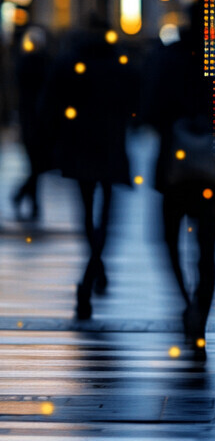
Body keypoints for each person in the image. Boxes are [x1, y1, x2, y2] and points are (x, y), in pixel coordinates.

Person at [143, 0, 215, 359]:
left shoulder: (170, 58)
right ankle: (200, 312)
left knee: (168, 238)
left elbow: (150, 108)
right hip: (212, 167)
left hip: (174, 166)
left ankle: (185, 300)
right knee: (207, 249)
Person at [41, 18, 137, 319]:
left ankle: (93, 268)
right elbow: (134, 101)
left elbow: (50, 105)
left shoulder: (70, 61)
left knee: (85, 211)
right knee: (106, 214)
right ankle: (94, 268)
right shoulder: (118, 64)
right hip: (109, 144)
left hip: (79, 144)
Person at [11, 25, 52, 221]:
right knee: (38, 164)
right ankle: (26, 197)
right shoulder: (43, 64)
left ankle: (28, 198)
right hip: (39, 120)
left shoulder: (24, 64)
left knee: (36, 164)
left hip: (30, 119)